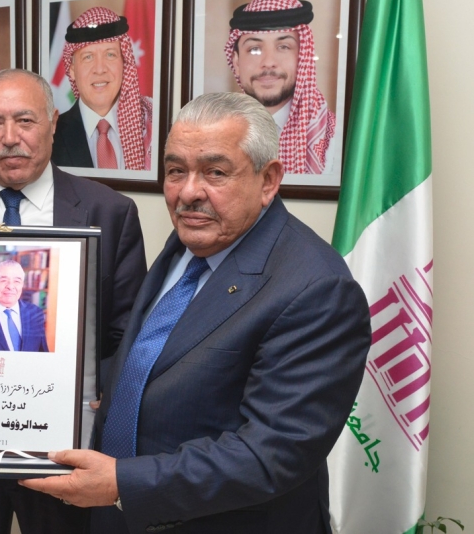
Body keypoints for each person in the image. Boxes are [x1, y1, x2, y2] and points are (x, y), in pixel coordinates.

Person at [21, 92, 371, 534]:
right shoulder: (194, 239)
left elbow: (271, 454)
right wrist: (62, 383)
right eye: (175, 171)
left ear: (268, 180)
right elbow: (159, 354)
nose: (188, 192)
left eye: (215, 172)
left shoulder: (317, 288)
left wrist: (123, 484)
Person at [0, 68, 148, 534]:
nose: (9, 138)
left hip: (62, 451)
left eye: (25, 121)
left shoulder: (110, 211)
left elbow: (125, 333)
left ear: (53, 123)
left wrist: (84, 399)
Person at [225, 0, 336, 175]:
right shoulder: (218, 132)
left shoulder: (333, 140)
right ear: (236, 63)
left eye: (283, 47)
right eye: (254, 49)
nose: (268, 62)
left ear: (302, 58)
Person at [52, 6, 153, 171]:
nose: (99, 69)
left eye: (110, 55)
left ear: (124, 63)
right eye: (88, 57)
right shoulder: (50, 137)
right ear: (72, 71)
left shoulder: (153, 124)